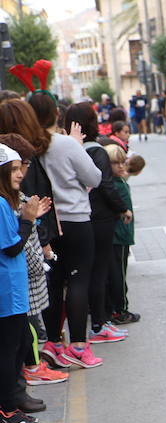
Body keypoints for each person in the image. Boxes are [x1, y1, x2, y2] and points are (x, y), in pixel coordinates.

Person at [30, 95, 105, 368]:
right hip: (75, 217)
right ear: (55, 115)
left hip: (46, 220)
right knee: (78, 280)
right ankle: (78, 346)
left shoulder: (29, 145)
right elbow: (94, 177)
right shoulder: (64, 143)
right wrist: (78, 146)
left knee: (55, 279)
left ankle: (52, 342)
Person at [66, 103, 131, 345]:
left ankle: (95, 324)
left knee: (81, 275)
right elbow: (103, 183)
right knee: (98, 272)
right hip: (99, 217)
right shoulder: (96, 150)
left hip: (72, 217)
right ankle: (99, 324)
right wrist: (122, 208)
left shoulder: (63, 148)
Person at [0, 143, 52, 423]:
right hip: (6, 292)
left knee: (16, 350)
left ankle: (9, 406)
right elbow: (11, 247)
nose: (20, 174)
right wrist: (28, 220)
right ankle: (7, 411)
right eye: (15, 169)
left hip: (13, 291)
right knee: (8, 353)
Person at [108, 150, 143, 325]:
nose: (122, 166)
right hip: (119, 235)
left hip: (119, 235)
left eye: (123, 162)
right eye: (116, 163)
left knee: (117, 272)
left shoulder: (117, 182)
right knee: (118, 274)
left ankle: (116, 308)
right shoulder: (115, 185)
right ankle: (119, 310)